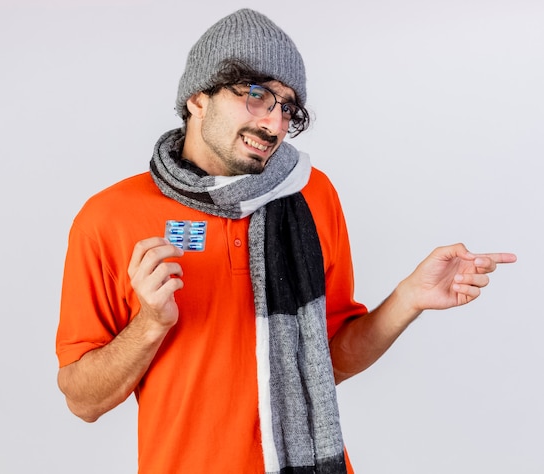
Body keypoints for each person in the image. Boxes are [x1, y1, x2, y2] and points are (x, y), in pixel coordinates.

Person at [55, 8, 516, 474]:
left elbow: (325, 361)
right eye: (257, 96)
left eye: (287, 108)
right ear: (198, 97)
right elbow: (82, 400)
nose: (274, 124)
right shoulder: (110, 216)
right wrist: (151, 324)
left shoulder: (312, 195)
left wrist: (408, 299)